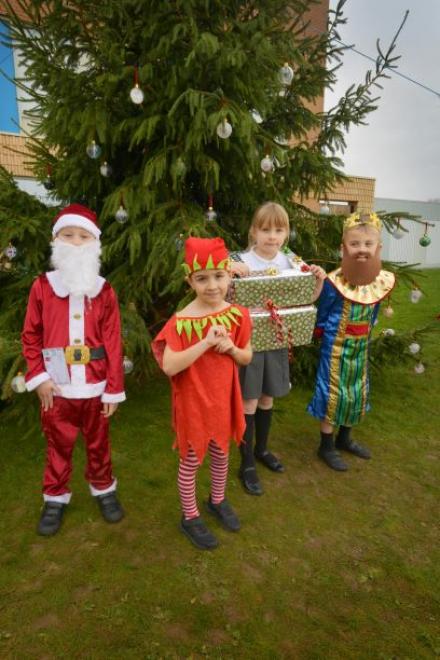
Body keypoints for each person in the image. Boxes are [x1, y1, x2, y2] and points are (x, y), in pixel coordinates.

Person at [22, 204, 126, 536]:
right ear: (56, 240)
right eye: (68, 235)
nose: (76, 242)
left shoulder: (104, 289)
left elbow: (113, 341)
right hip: (57, 388)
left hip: (96, 387)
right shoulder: (42, 287)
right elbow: (31, 335)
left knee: (99, 443)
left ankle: (104, 488)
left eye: (83, 236)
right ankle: (55, 496)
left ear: (94, 243)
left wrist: (113, 388)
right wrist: (38, 377)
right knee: (58, 444)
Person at [152, 237, 252, 550]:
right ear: (190, 280)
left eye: (219, 276)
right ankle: (190, 515)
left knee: (222, 452)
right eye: (202, 278)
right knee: (192, 459)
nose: (212, 286)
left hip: (223, 400)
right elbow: (170, 366)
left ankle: (217, 500)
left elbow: (247, 356)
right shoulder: (181, 321)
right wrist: (206, 343)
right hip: (194, 403)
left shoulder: (238, 314)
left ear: (229, 274)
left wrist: (232, 348)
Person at [231, 202, 326, 495]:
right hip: (249, 341)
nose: (272, 236)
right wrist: (230, 269)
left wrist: (318, 280)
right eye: (265, 229)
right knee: (248, 400)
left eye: (278, 230)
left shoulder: (291, 262)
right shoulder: (240, 259)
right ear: (254, 232)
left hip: (276, 337)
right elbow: (221, 291)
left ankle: (262, 450)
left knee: (267, 397)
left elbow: (306, 297)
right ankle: (246, 462)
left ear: (286, 234)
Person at [307, 211, 395, 471]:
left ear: (378, 247)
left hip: (360, 348)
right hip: (334, 348)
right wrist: (321, 332)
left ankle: (345, 438)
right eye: (355, 244)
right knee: (332, 393)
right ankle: (326, 445)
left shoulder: (379, 282)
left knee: (356, 391)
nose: (361, 250)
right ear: (343, 247)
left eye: (368, 244)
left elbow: (375, 310)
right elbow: (324, 310)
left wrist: (368, 332)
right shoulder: (335, 282)